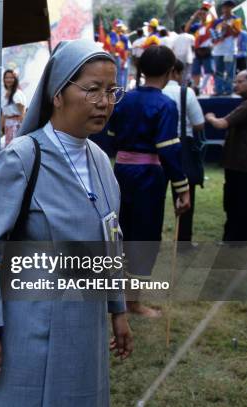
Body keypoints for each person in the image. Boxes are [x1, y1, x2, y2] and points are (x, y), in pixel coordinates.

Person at [0, 39, 132, 406]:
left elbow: (109, 241)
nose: (104, 102)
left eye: (111, 91)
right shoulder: (22, 159)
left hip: (86, 327)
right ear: (58, 94)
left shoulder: (101, 162)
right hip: (31, 328)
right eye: (92, 90)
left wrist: (117, 310)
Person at [107, 46, 191, 317]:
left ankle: (116, 299)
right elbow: (167, 148)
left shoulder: (122, 99)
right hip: (148, 178)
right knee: (143, 236)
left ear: (141, 70)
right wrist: (182, 187)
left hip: (119, 172)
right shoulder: (166, 104)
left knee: (120, 232)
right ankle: (132, 303)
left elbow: (109, 134)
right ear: (170, 72)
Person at [163, 59, 206, 242]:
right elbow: (199, 124)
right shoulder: (185, 92)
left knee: (154, 196)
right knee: (185, 193)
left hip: (156, 149)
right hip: (181, 146)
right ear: (177, 73)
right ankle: (183, 239)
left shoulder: (156, 92)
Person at [204, 70, 247, 241]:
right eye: (235, 81)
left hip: (241, 165)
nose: (235, 85)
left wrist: (210, 117)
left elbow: (222, 124)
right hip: (240, 163)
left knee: (236, 202)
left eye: (240, 81)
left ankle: (235, 239)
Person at [211, 0, 243, 95]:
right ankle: (218, 90)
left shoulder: (236, 19)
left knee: (229, 71)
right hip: (218, 50)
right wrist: (216, 38)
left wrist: (229, 27)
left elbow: (237, 34)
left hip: (230, 50)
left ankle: (228, 90)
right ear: (222, 9)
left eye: (229, 7)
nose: (227, 9)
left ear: (232, 8)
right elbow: (213, 36)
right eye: (225, 7)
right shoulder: (217, 21)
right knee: (218, 72)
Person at [185, 2, 217, 94]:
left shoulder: (210, 24)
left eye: (204, 13)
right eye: (201, 14)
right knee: (195, 71)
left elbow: (215, 19)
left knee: (210, 71)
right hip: (198, 52)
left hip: (207, 51)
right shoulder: (197, 26)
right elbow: (186, 29)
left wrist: (209, 9)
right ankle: (197, 88)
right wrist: (194, 16)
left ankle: (208, 88)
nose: (202, 15)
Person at [1, 69, 26, 146]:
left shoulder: (17, 94)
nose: (8, 80)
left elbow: (22, 113)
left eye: (11, 77)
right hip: (8, 126)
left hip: (15, 127)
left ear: (15, 79)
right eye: (6, 77)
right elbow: (4, 114)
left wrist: (21, 130)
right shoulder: (5, 94)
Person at [106, 20, 131, 88]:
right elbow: (113, 45)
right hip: (117, 57)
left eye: (120, 27)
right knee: (119, 75)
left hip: (120, 57)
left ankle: (121, 91)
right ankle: (120, 92)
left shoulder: (119, 35)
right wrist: (115, 55)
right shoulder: (113, 34)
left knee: (121, 75)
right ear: (114, 27)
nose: (120, 28)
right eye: (118, 27)